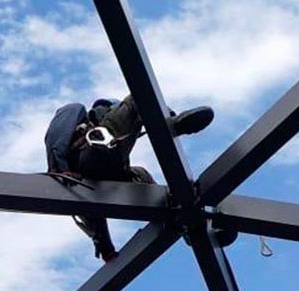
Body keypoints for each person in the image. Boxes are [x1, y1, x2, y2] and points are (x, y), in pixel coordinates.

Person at [45, 96, 214, 261]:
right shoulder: (77, 114)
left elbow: (90, 205)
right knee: (138, 98)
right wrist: (60, 169)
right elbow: (56, 137)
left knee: (142, 176)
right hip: (89, 156)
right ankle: (173, 124)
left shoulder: (116, 150)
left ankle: (184, 223)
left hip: (107, 171)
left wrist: (105, 247)